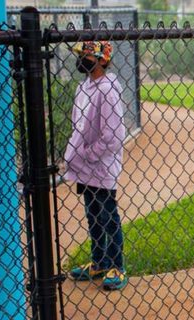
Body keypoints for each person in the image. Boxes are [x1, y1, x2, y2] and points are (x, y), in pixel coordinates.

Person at [64, 40, 128, 292]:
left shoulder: (108, 89)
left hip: (100, 166)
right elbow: (77, 122)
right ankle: (100, 261)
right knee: (93, 216)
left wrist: (89, 154)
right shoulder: (84, 87)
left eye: (87, 56)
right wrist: (79, 154)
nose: (81, 59)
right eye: (81, 55)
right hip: (85, 165)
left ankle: (117, 266)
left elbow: (114, 135)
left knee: (107, 215)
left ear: (102, 60)